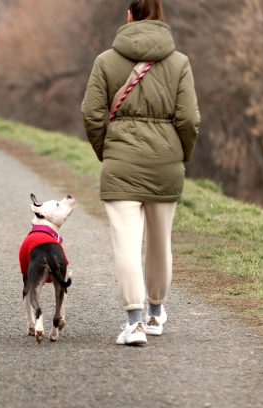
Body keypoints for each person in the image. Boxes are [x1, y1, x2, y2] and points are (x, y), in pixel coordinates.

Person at [81, 0, 200, 346]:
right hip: (166, 164)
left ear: (129, 15)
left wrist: (108, 150)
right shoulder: (179, 63)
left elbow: (90, 114)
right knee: (160, 243)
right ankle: (155, 314)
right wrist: (181, 155)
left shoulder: (105, 61)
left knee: (127, 245)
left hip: (121, 165)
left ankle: (133, 324)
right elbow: (189, 119)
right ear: (160, 16)